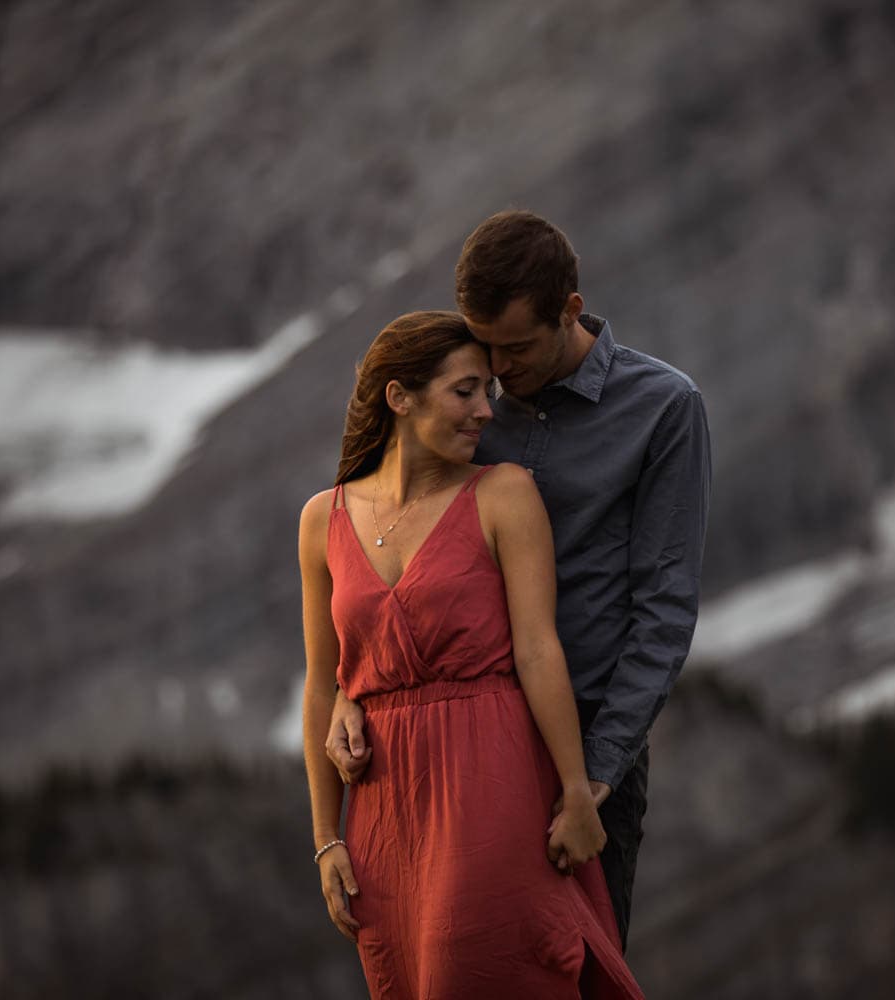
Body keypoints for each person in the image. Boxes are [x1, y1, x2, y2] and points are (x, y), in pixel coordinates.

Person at [328, 210, 712, 948]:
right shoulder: (470, 410)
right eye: (486, 350)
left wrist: (593, 778)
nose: (497, 373)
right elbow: (382, 550)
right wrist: (349, 692)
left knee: (576, 970)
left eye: (516, 348)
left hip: (589, 748)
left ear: (570, 310)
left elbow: (664, 610)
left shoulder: (664, 409)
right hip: (462, 755)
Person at [299, 310, 645, 998]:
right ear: (400, 397)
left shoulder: (503, 493)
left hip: (490, 781)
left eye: (489, 391)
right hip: (385, 816)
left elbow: (539, 651)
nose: (487, 411)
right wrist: (326, 840)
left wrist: (577, 793)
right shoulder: (322, 519)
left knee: (488, 968)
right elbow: (322, 684)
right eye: (465, 392)